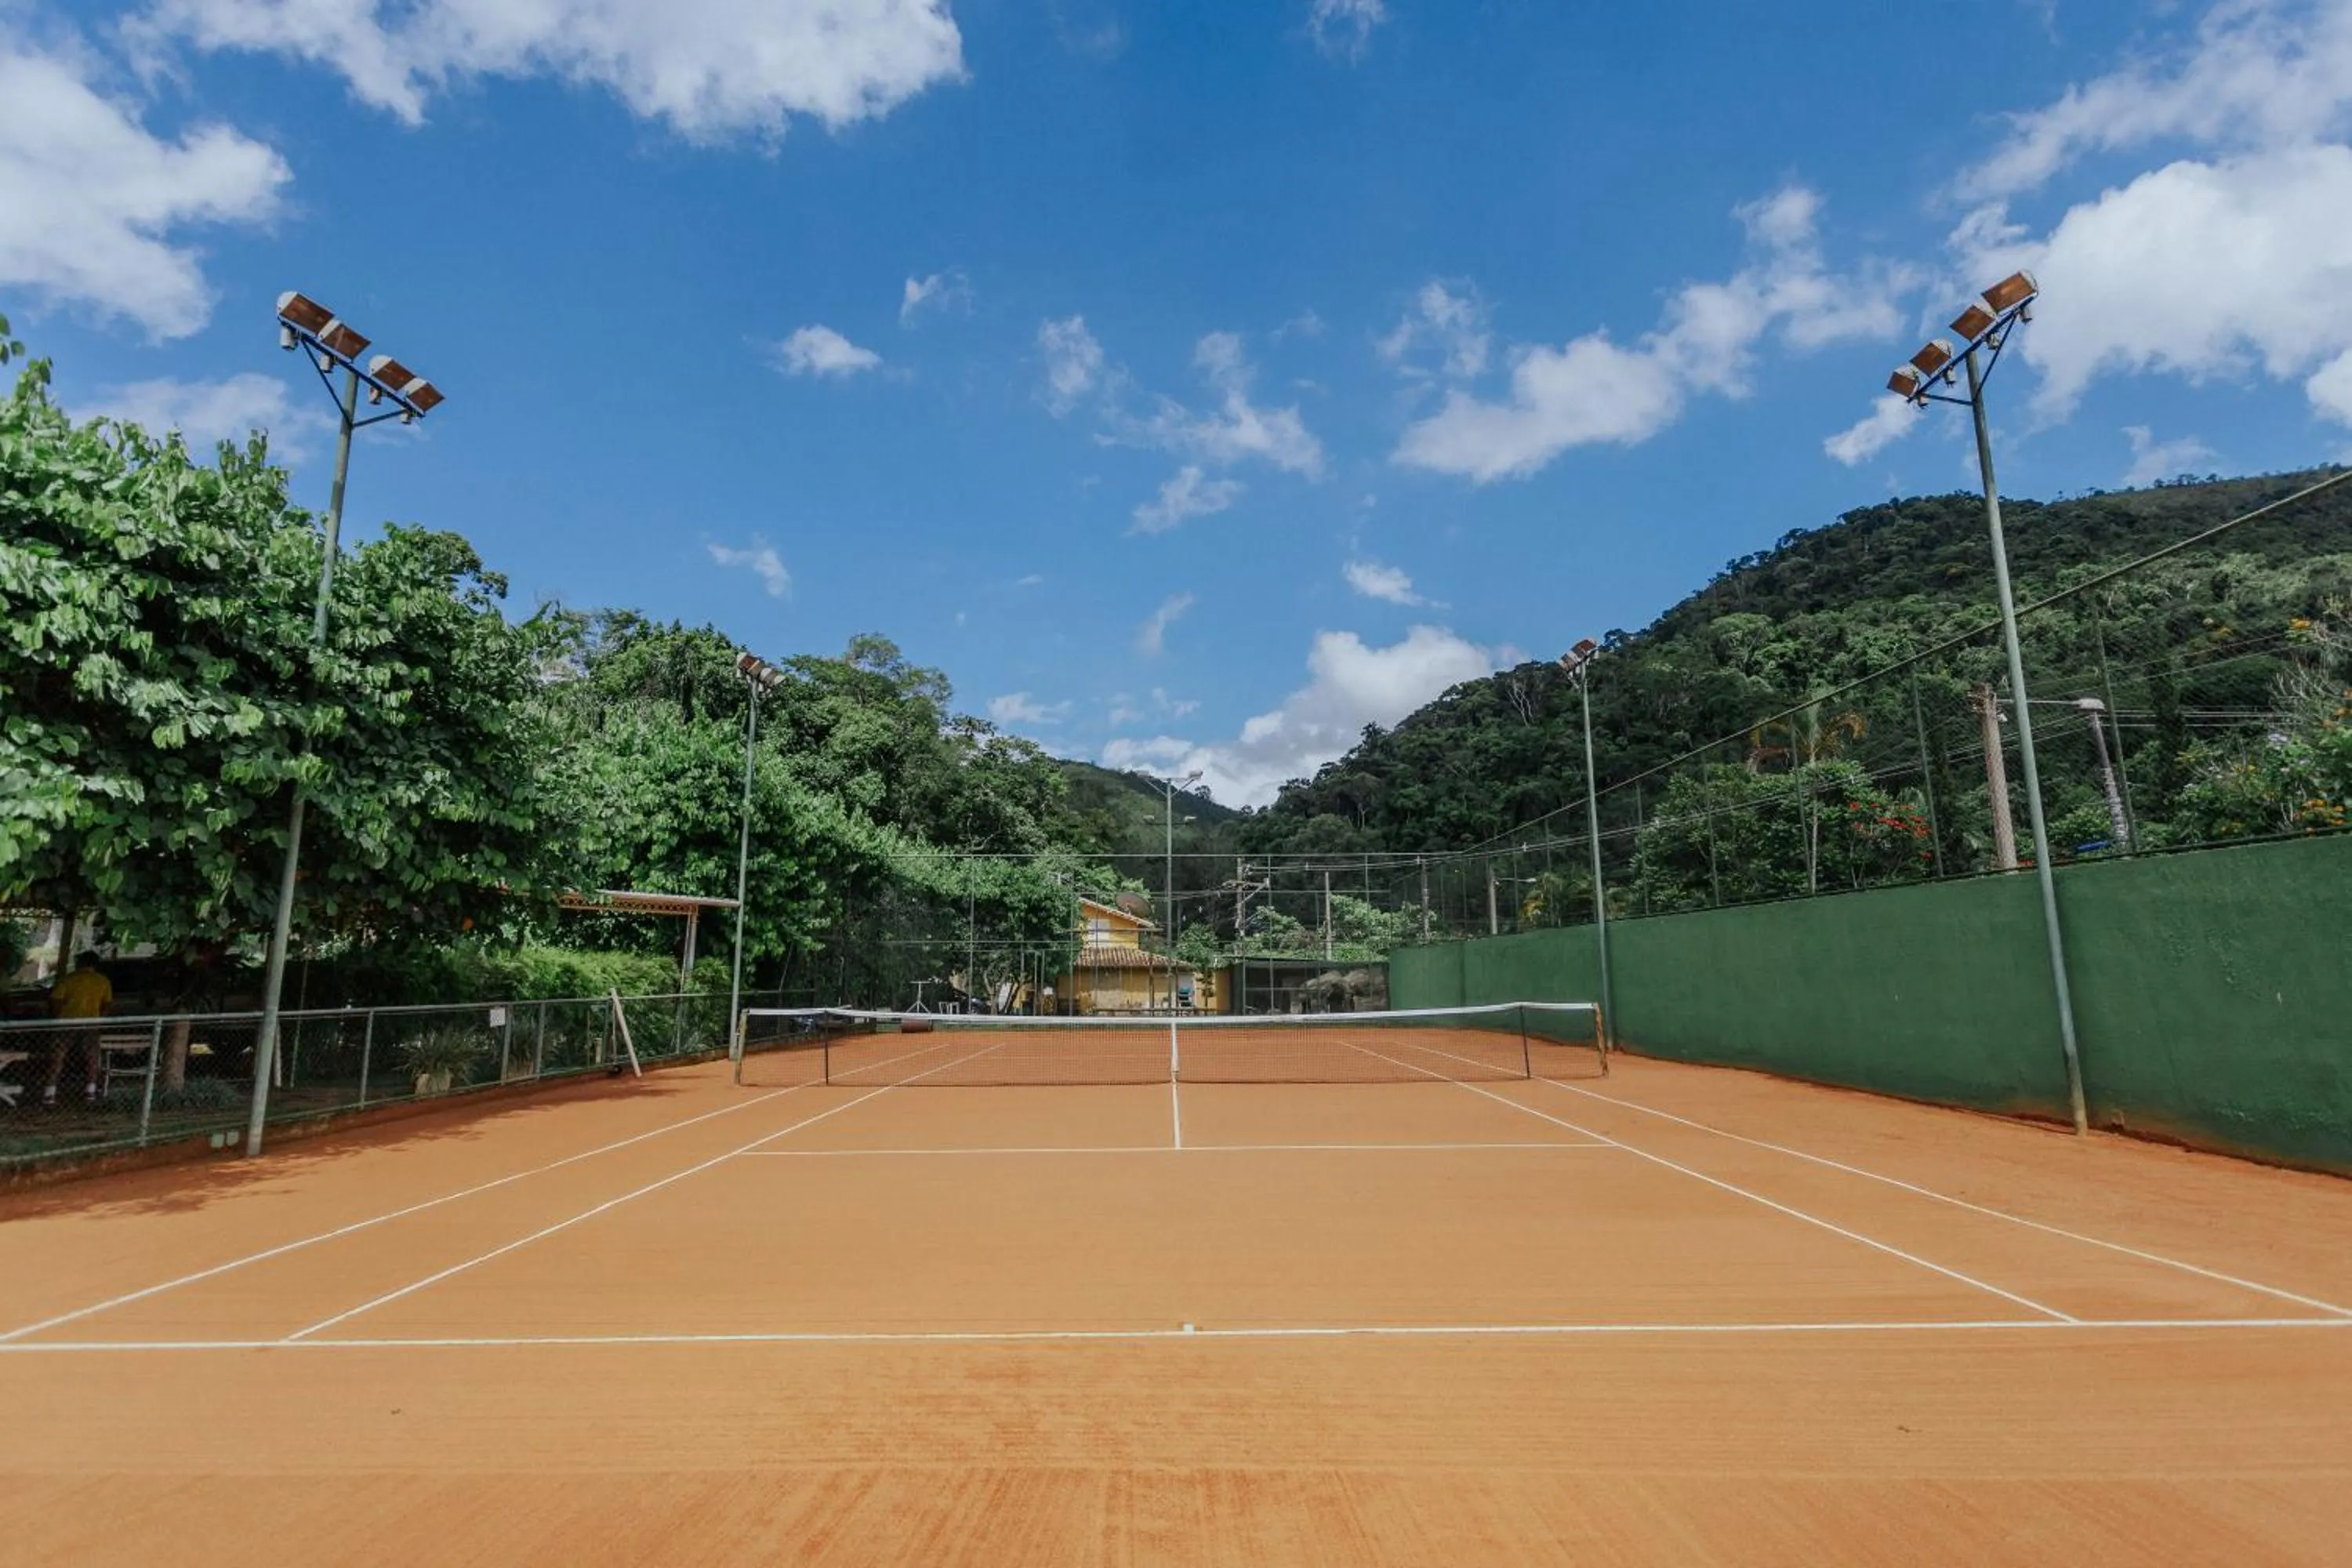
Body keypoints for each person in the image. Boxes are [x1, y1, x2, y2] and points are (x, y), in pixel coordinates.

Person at [45, 952, 113, 1106]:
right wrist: (100, 1019)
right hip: (91, 1023)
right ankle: (90, 1091)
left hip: (67, 1022)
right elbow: (108, 1004)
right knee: (92, 1057)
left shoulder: (69, 979)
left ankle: (50, 1092)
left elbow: (55, 1000)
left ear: (80, 963)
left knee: (58, 1056)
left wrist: (59, 1016)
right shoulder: (103, 981)